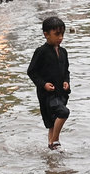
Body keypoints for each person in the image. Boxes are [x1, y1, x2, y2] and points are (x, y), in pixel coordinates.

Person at [27, 16, 71, 151]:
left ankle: (51, 149)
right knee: (63, 112)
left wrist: (66, 82)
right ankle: (55, 141)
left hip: (60, 93)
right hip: (47, 94)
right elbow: (31, 72)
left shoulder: (63, 52)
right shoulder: (41, 51)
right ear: (46, 34)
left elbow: (66, 71)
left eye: (62, 34)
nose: (60, 37)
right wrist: (44, 84)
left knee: (53, 122)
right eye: (57, 34)